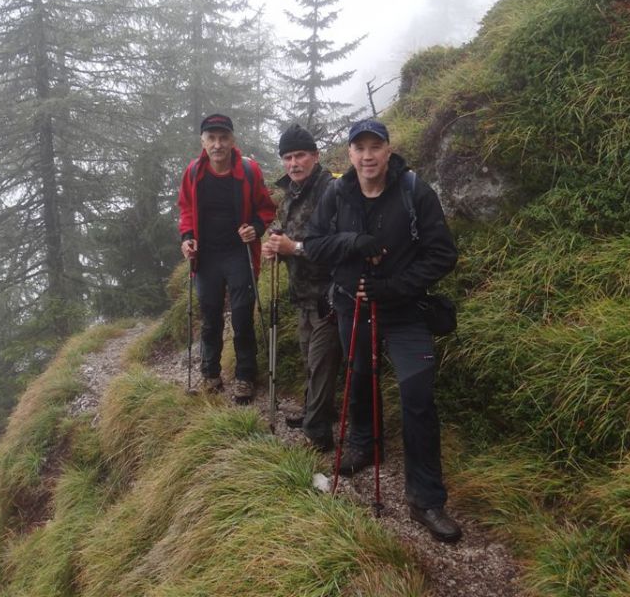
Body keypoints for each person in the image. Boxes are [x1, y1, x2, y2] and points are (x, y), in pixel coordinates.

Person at [304, 118, 462, 543]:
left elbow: (443, 254)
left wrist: (395, 286)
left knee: (417, 396)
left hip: (405, 309)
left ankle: (426, 498)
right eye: (360, 148)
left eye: (376, 146)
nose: (368, 155)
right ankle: (365, 444)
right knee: (358, 377)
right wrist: (351, 242)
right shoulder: (337, 193)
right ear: (350, 155)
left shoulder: (415, 192)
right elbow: (314, 244)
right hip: (351, 306)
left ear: (389, 150)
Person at [178, 113, 276, 404]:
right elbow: (185, 210)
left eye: (223, 138)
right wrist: (187, 239)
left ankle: (246, 376)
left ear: (233, 140)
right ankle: (210, 374)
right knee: (210, 317)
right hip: (206, 256)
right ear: (203, 141)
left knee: (243, 315)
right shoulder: (194, 172)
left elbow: (266, 208)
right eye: (212, 138)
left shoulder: (249, 171)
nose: (218, 144)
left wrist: (256, 229)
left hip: (239, 253)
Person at [261, 124, 341, 452]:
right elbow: (283, 228)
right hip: (303, 294)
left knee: (322, 362)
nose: (293, 163)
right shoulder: (290, 193)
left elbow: (337, 245)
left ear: (315, 156)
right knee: (311, 357)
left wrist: (291, 248)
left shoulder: (332, 190)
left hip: (331, 295)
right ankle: (316, 411)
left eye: (300, 156)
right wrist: (273, 245)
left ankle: (316, 434)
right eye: (287, 157)